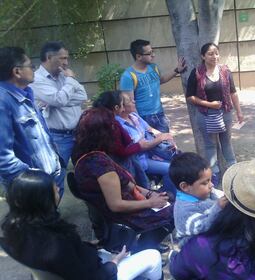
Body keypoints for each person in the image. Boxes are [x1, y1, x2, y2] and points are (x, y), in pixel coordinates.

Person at [0, 170, 163, 280]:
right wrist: (114, 262)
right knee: (152, 256)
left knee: (110, 250)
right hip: (98, 274)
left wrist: (87, 245)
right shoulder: (57, 243)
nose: (58, 189)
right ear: (43, 201)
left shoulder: (12, 229)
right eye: (54, 189)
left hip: (72, 268)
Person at [169, 158, 255, 279]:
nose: (211, 186)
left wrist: (173, 256)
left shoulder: (203, 247)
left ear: (230, 202)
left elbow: (178, 272)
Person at [72, 107, 174, 252]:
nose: (117, 130)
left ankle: (145, 246)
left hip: (121, 207)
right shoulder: (100, 165)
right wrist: (150, 202)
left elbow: (127, 185)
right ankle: (143, 249)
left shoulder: (86, 154)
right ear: (103, 133)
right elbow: (116, 205)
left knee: (168, 198)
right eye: (114, 126)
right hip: (122, 217)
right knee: (174, 210)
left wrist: (150, 194)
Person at [0, 47, 62, 194]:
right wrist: (35, 182)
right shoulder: (3, 102)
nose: (34, 70)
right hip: (31, 187)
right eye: (30, 66)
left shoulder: (26, 94)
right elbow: (3, 157)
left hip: (47, 178)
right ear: (17, 71)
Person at [30, 41, 87, 196]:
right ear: (49, 57)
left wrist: (58, 99)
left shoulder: (63, 75)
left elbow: (82, 96)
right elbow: (58, 100)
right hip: (58, 137)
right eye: (62, 58)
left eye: (66, 58)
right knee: (57, 177)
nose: (66, 63)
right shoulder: (37, 79)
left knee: (87, 171)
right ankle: (52, 215)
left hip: (79, 133)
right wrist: (68, 84)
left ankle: (94, 209)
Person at [186, 42, 244, 185]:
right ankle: (215, 179)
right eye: (210, 54)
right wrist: (208, 104)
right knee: (210, 146)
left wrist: (239, 111)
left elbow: (233, 92)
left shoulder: (225, 71)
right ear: (203, 56)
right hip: (205, 115)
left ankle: (234, 176)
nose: (214, 56)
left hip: (225, 113)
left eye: (216, 53)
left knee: (226, 143)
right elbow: (190, 96)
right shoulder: (197, 73)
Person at [115, 92, 177, 195]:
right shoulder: (119, 125)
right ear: (122, 107)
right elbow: (140, 147)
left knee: (178, 159)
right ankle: (168, 197)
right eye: (130, 101)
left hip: (152, 153)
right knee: (171, 169)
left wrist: (167, 138)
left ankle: (170, 193)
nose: (134, 101)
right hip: (140, 160)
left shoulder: (133, 116)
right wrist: (160, 139)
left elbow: (150, 129)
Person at [119, 39, 187, 132]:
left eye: (153, 51)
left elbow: (161, 80)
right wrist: (139, 124)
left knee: (167, 144)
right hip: (143, 117)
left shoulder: (154, 67)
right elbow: (129, 103)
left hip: (159, 114)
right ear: (139, 56)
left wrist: (177, 70)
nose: (153, 55)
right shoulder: (128, 76)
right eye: (149, 53)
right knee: (150, 145)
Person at [169, 152, 227, 247]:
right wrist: (218, 207)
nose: (211, 185)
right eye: (205, 183)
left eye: (210, 180)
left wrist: (215, 196)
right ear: (185, 186)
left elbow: (212, 198)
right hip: (195, 247)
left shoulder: (196, 193)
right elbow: (204, 228)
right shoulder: (185, 212)